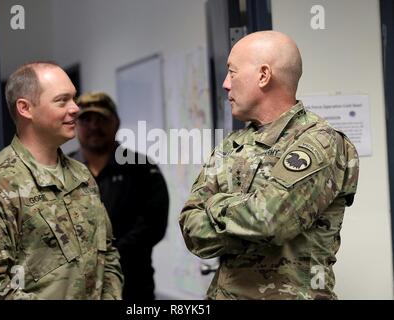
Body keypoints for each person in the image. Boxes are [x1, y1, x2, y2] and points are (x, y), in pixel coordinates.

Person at [179, 31, 359, 300]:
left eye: (233, 72)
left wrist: (215, 205)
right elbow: (190, 226)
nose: (226, 84)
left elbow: (270, 220)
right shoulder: (232, 144)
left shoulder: (320, 143)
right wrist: (249, 218)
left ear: (263, 75)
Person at [0, 62, 123, 299]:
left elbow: (108, 256)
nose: (75, 109)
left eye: (74, 99)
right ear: (25, 108)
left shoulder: (81, 176)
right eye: (62, 100)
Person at [69, 92, 169, 300]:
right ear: (75, 125)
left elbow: (153, 226)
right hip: (73, 287)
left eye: (102, 119)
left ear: (116, 123)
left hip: (131, 285)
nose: (94, 126)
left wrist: (107, 256)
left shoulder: (141, 168)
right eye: (86, 119)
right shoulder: (62, 171)